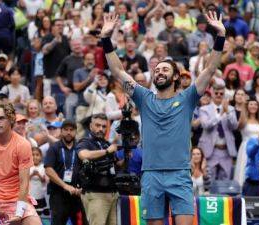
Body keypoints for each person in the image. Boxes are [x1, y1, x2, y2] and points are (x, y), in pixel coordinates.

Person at [101, 11, 226, 225]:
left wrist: (220, 35)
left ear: (176, 76)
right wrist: (105, 39)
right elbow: (118, 71)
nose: (159, 72)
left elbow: (210, 68)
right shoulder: (144, 97)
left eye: (165, 69)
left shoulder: (188, 98)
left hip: (180, 174)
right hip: (151, 175)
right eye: (157, 70)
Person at [77, 114, 119, 225]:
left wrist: (127, 156)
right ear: (91, 126)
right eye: (97, 125)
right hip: (96, 194)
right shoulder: (85, 142)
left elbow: (117, 165)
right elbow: (83, 155)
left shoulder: (106, 144)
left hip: (113, 193)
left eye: (104, 126)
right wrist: (107, 151)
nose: (101, 129)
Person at [45, 120, 87, 225]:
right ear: (61, 131)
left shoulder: (80, 149)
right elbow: (48, 170)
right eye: (66, 130)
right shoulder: (54, 148)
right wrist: (65, 186)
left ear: (76, 131)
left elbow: (86, 170)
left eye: (71, 130)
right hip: (58, 195)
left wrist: (82, 188)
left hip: (77, 196)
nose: (68, 132)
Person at [199, 85, 238, 181]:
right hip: (210, 151)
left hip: (226, 150)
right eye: (216, 93)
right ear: (212, 93)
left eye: (221, 93)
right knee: (209, 180)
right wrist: (220, 115)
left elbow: (234, 126)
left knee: (226, 180)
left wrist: (227, 112)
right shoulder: (204, 109)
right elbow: (206, 125)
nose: (219, 95)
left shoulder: (231, 109)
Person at [29, 147, 48, 216]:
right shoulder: (28, 167)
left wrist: (38, 175)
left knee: (39, 215)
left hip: (40, 195)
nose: (35, 157)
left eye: (37, 155)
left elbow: (44, 180)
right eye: (33, 155)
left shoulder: (43, 167)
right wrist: (32, 174)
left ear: (41, 157)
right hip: (30, 195)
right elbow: (25, 179)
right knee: (30, 214)